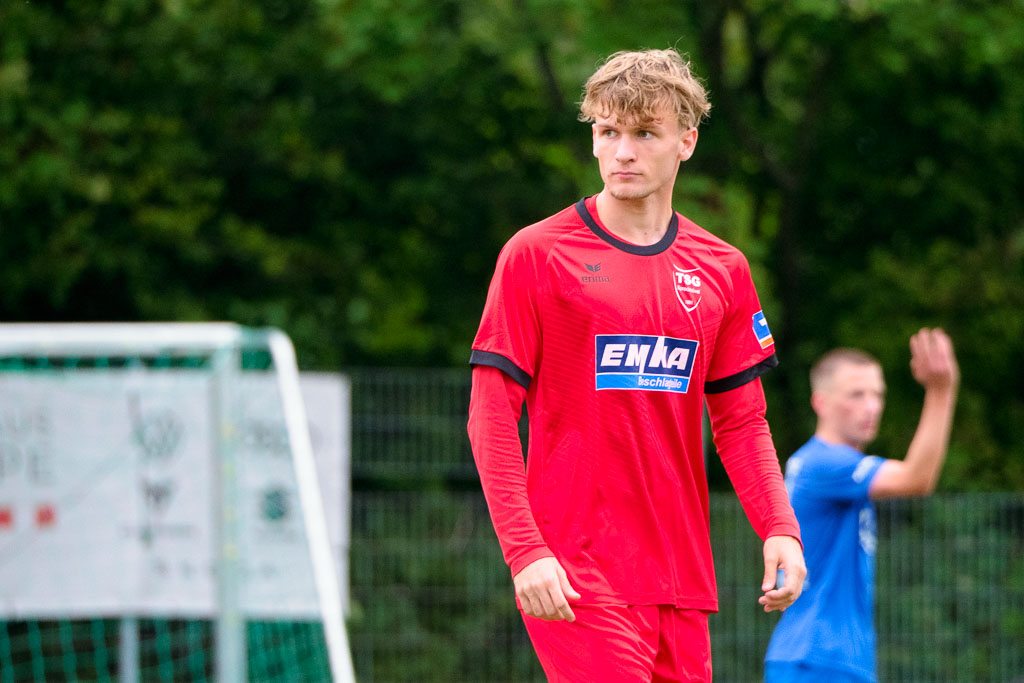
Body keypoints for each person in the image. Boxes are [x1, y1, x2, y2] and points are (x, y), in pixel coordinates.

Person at [466, 48, 806, 682]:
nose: (623, 150)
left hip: (681, 579)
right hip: (575, 573)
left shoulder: (722, 269)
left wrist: (779, 527)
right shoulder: (537, 256)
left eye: (644, 132)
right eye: (607, 132)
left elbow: (741, 422)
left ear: (686, 141)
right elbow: (489, 416)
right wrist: (524, 551)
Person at [764, 329, 959, 683]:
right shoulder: (825, 464)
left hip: (829, 659)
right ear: (819, 402)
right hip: (819, 658)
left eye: (877, 394)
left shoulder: (827, 469)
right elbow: (917, 479)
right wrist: (941, 390)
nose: (871, 406)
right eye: (857, 394)